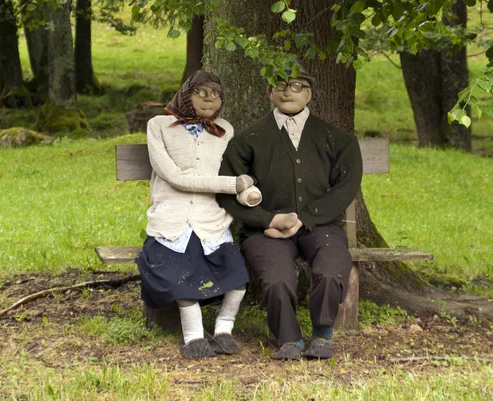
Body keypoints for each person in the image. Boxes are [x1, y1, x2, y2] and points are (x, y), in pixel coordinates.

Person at [217, 65, 363, 360]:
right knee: (276, 278)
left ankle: (322, 335)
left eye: (297, 85)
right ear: (269, 92)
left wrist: (307, 217)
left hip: (320, 225)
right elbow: (226, 190)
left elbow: (346, 187)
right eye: (279, 84)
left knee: (332, 266)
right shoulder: (249, 140)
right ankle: (289, 339)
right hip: (265, 231)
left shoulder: (337, 139)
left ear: (309, 93)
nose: (287, 91)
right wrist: (267, 220)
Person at [137, 70, 260, 360]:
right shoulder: (159, 125)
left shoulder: (225, 129)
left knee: (238, 276)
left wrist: (246, 190)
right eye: (201, 92)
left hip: (211, 219)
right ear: (186, 94)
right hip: (172, 219)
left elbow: (234, 172)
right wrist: (231, 184)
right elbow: (175, 177)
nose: (209, 100)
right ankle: (193, 338)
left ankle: (223, 331)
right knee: (180, 278)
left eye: (215, 94)